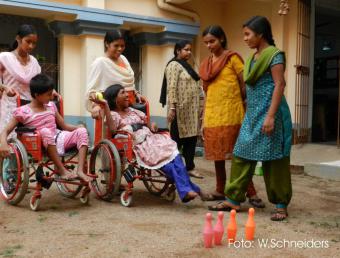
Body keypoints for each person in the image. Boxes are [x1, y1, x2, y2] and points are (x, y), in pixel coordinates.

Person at [220, 16, 292, 221]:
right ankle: (233, 199)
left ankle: (280, 204)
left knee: (274, 159)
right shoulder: (252, 58)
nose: (245, 38)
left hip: (271, 114)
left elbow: (280, 85)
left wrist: (270, 117)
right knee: (241, 153)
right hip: (253, 115)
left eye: (248, 34)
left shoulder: (274, 55)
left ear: (260, 34)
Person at [92, 84, 208, 203]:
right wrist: (105, 105)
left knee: (176, 156)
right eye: (122, 93)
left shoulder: (134, 111)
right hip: (137, 143)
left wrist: (153, 125)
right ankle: (193, 190)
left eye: (126, 92)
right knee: (169, 164)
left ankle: (188, 190)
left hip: (152, 139)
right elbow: (112, 130)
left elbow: (149, 125)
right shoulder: (113, 115)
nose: (127, 95)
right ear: (114, 99)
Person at [199, 25, 264, 207]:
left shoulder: (232, 58)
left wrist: (243, 105)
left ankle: (250, 192)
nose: (210, 45)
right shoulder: (206, 64)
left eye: (212, 41)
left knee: (239, 155)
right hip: (212, 115)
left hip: (232, 114)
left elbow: (246, 85)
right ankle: (220, 189)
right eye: (206, 43)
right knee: (218, 156)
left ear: (221, 39)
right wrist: (203, 119)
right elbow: (207, 92)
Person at [0, 74, 92, 183]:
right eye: (48, 94)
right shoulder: (23, 111)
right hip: (38, 143)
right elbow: (5, 130)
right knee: (45, 131)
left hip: (57, 138)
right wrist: (3, 143)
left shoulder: (51, 106)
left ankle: (80, 171)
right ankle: (62, 171)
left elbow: (64, 126)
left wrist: (78, 127)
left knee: (82, 131)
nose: (52, 97)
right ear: (37, 95)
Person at [160, 40, 204, 179]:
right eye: (186, 49)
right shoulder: (174, 65)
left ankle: (190, 167)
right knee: (176, 141)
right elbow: (171, 87)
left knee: (191, 139)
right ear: (178, 50)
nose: (189, 52)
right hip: (179, 110)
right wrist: (172, 107)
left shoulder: (188, 66)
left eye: (190, 50)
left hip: (191, 110)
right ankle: (170, 167)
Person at [86, 29, 137, 119]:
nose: (120, 49)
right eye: (116, 45)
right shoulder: (100, 62)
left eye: (122, 46)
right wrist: (95, 104)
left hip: (131, 106)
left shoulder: (124, 59)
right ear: (107, 44)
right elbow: (92, 90)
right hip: (112, 111)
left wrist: (136, 93)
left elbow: (130, 84)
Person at [0, 24, 41, 136]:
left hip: (29, 107)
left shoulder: (34, 62)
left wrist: (50, 91)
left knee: (31, 141)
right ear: (18, 39)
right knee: (8, 140)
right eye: (28, 41)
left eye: (34, 43)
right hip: (10, 105)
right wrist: (4, 87)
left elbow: (39, 83)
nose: (31, 46)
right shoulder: (4, 57)